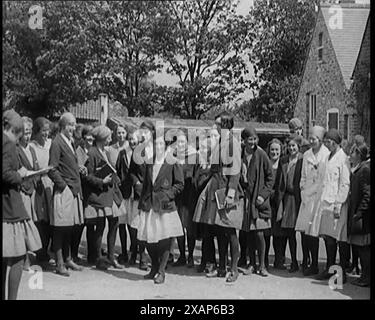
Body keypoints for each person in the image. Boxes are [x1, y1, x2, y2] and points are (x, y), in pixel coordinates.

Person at [194, 111, 243, 282]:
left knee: (229, 231)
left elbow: (235, 171)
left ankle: (234, 269)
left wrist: (230, 194)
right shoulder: (220, 142)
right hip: (216, 189)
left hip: (226, 190)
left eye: (218, 124)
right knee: (220, 230)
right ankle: (221, 267)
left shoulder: (232, 144)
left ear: (226, 125)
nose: (215, 127)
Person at [137, 125, 185, 284]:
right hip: (149, 204)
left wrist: (168, 195)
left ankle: (162, 271)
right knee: (147, 239)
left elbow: (179, 184)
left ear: (165, 146)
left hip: (165, 206)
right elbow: (146, 185)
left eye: (160, 144)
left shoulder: (172, 161)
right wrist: (142, 203)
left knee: (165, 239)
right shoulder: (149, 162)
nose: (158, 147)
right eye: (155, 144)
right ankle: (154, 267)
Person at [3, 110, 42, 299]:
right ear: (12, 129)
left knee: (3, 257)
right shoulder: (8, 144)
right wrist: (21, 175)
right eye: (18, 135)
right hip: (10, 207)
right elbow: (5, 174)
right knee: (18, 256)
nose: (18, 140)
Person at [84, 125, 126, 270]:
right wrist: (102, 181)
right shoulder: (92, 153)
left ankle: (110, 257)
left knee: (114, 224)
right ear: (102, 138)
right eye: (108, 136)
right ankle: (98, 258)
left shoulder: (104, 151)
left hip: (109, 194)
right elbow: (88, 176)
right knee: (100, 227)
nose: (110, 138)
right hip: (100, 195)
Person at [48, 112, 85, 276]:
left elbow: (67, 165)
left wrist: (78, 168)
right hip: (64, 190)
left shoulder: (69, 141)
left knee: (69, 227)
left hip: (73, 189)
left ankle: (68, 258)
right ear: (63, 125)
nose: (73, 127)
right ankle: (59, 263)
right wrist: (63, 187)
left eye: (74, 124)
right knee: (59, 229)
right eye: (70, 124)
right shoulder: (57, 142)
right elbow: (52, 168)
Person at [314, 129, 350, 283]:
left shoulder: (343, 159)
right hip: (326, 203)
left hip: (337, 204)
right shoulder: (327, 157)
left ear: (334, 142)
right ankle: (329, 268)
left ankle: (342, 273)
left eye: (328, 141)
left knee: (340, 238)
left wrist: (339, 203)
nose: (325, 143)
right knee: (328, 238)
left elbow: (345, 183)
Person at [295, 126, 330, 276]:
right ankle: (308, 262)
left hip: (318, 197)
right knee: (305, 232)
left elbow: (325, 179)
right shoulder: (307, 154)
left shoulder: (326, 155)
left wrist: (315, 192)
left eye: (314, 139)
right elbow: (303, 176)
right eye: (310, 138)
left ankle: (319, 264)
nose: (311, 141)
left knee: (316, 232)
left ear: (321, 140)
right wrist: (303, 189)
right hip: (307, 197)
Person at [240, 126, 274, 277]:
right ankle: (252, 264)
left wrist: (263, 194)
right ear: (244, 140)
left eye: (254, 139)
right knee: (249, 234)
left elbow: (270, 177)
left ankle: (263, 265)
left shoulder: (261, 154)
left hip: (258, 200)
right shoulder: (240, 154)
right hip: (245, 198)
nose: (252, 142)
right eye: (249, 139)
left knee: (259, 233)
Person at [17, 117, 51, 270]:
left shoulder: (31, 149)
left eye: (29, 133)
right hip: (23, 190)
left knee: (34, 224)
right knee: (24, 225)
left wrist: (41, 172)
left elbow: (35, 166)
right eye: (25, 133)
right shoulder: (16, 149)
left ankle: (33, 255)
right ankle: (24, 259)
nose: (27, 136)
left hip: (34, 189)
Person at [116, 128, 148, 269]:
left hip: (140, 194)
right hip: (127, 192)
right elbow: (122, 171)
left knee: (138, 225)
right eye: (130, 139)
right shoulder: (124, 153)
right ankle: (132, 254)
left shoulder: (144, 153)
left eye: (135, 139)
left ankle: (141, 256)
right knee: (129, 225)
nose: (132, 141)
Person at [274, 135, 303, 273]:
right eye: (290, 146)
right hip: (284, 199)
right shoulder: (283, 160)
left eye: (294, 146)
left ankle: (300, 262)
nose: (291, 148)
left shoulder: (303, 160)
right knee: (285, 232)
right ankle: (286, 260)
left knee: (297, 233)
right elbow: (280, 181)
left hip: (296, 199)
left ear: (298, 147)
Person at [172, 128, 198, 268]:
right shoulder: (172, 157)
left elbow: (196, 176)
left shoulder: (193, 156)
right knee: (179, 227)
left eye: (183, 141)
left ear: (187, 142)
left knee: (190, 228)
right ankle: (181, 255)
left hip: (189, 196)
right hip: (177, 197)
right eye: (178, 141)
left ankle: (191, 256)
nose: (180, 144)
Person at [30, 117, 54, 263]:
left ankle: (47, 250)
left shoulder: (51, 144)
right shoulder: (32, 146)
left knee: (51, 219)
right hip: (38, 185)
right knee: (40, 220)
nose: (46, 134)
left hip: (50, 184)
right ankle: (41, 253)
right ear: (37, 131)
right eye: (43, 131)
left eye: (47, 131)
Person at [192, 134, 217, 273]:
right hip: (200, 202)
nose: (201, 150)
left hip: (210, 203)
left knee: (210, 234)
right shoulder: (200, 164)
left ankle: (211, 261)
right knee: (204, 234)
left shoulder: (213, 166)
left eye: (204, 148)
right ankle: (204, 260)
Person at [347, 144, 370, 287]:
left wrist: (359, 213)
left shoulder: (365, 170)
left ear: (359, 155)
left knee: (364, 248)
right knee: (360, 248)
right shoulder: (358, 169)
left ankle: (366, 277)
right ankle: (363, 275)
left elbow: (367, 195)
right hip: (356, 214)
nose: (350, 155)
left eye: (352, 153)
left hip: (363, 218)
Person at [76, 125, 96, 264]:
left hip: (93, 189)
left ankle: (92, 255)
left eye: (92, 137)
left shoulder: (94, 150)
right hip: (83, 189)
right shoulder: (79, 151)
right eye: (87, 137)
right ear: (83, 138)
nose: (90, 139)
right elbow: (79, 168)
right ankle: (73, 252)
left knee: (91, 224)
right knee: (80, 224)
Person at [266, 138, 286, 270]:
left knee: (280, 234)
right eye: (272, 149)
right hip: (267, 201)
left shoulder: (283, 164)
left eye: (277, 150)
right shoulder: (265, 163)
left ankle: (279, 260)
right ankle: (264, 260)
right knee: (266, 232)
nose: (274, 152)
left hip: (279, 201)